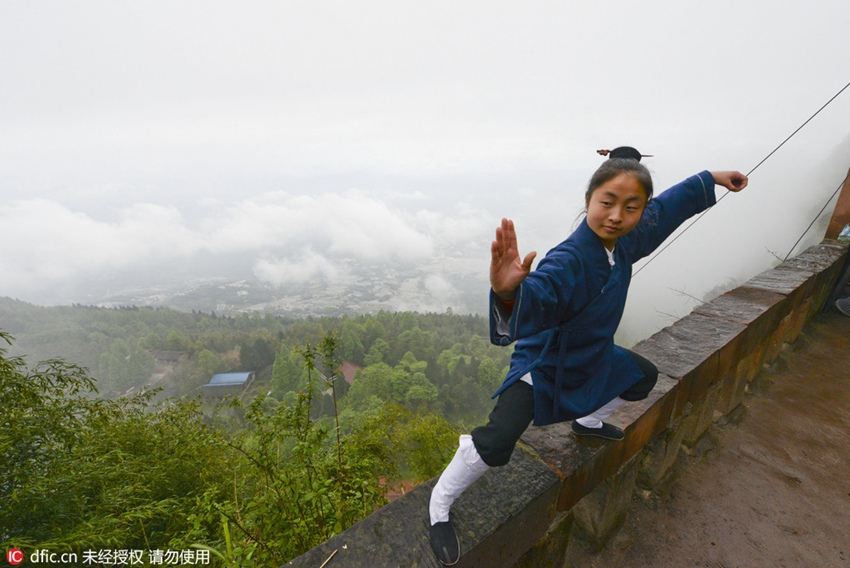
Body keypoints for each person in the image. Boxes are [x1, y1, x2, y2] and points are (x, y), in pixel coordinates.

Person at [428, 147, 748, 565]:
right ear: (588, 201)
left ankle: (587, 420)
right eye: (607, 203)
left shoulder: (627, 240)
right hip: (544, 362)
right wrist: (509, 293)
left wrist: (711, 177)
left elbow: (665, 209)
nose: (616, 215)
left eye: (630, 207)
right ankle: (439, 504)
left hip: (590, 355)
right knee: (497, 440)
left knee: (641, 378)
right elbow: (539, 297)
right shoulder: (570, 258)